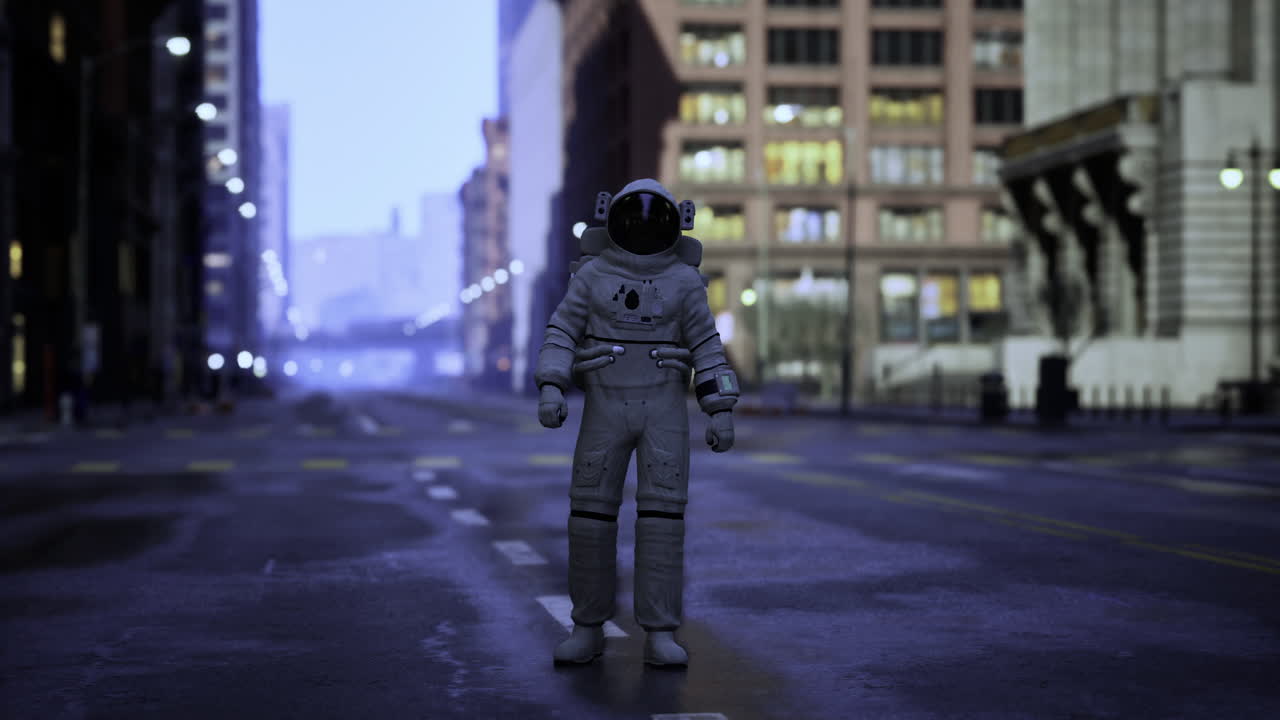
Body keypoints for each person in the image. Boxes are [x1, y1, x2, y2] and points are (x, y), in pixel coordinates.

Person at [535, 178, 740, 667]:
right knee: (589, 520)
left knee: (662, 522)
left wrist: (721, 408)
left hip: (662, 407)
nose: (644, 227)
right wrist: (552, 384)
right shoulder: (593, 276)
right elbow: (562, 331)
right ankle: (588, 626)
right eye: (635, 218)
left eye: (653, 218)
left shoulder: (683, 283)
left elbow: (706, 346)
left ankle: (660, 631)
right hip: (606, 405)